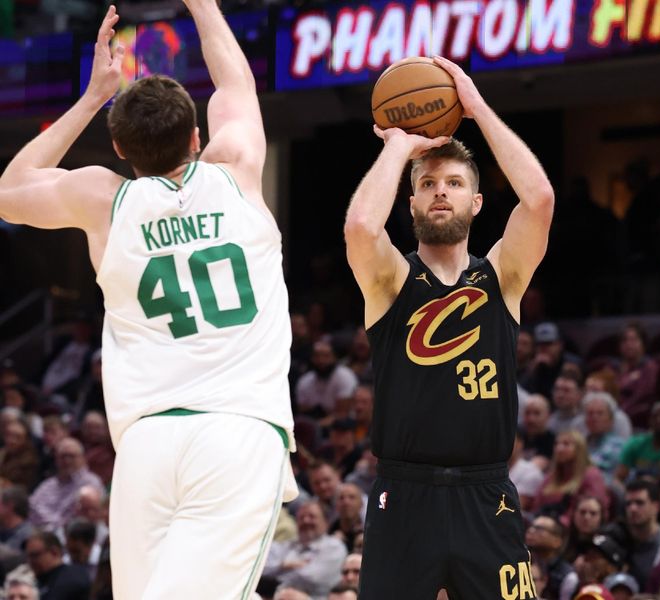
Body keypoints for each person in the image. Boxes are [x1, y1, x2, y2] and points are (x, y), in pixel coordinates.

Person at [0, 3, 297, 598]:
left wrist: (91, 97)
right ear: (196, 136)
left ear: (117, 146)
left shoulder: (103, 201)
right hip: (237, 433)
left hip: (145, 443)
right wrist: (203, 5)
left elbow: (10, 192)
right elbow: (235, 82)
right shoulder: (236, 168)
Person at [344, 55, 554, 599]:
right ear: (410, 200)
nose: (441, 191)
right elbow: (362, 227)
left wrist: (476, 107)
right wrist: (397, 147)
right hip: (403, 494)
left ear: (477, 201)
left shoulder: (502, 276)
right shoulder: (391, 280)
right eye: (429, 183)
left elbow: (540, 200)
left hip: (487, 494)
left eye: (456, 182)